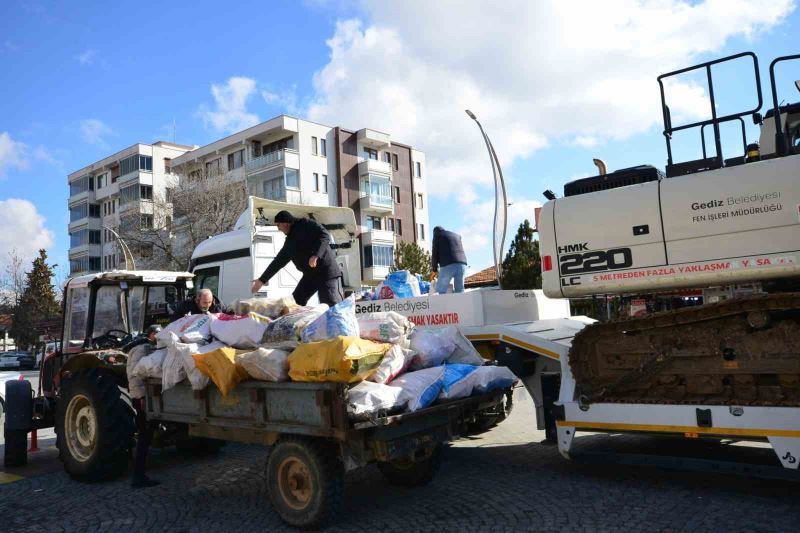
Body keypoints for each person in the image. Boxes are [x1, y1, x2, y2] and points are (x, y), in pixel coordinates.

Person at [251, 210, 343, 306]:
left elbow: (324, 235)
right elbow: (278, 262)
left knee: (329, 302)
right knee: (295, 302)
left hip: (325, 272)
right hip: (310, 275)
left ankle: (338, 320)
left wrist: (316, 255)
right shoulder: (289, 243)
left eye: (278, 225)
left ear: (286, 224)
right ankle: (299, 321)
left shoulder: (306, 224)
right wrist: (261, 280)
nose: (278, 229)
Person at [125, 324, 162, 488]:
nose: (160, 337)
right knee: (144, 436)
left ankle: (139, 474)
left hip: (145, 397)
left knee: (146, 435)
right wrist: (140, 396)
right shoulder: (141, 349)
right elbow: (135, 375)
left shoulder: (148, 347)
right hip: (141, 398)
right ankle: (138, 476)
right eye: (158, 334)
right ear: (152, 334)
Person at [431, 226, 468, 294]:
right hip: (462, 264)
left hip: (448, 265)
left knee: (440, 291)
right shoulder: (456, 235)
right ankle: (461, 304)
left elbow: (434, 254)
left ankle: (439, 304)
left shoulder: (438, 235)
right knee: (460, 290)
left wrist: (434, 270)